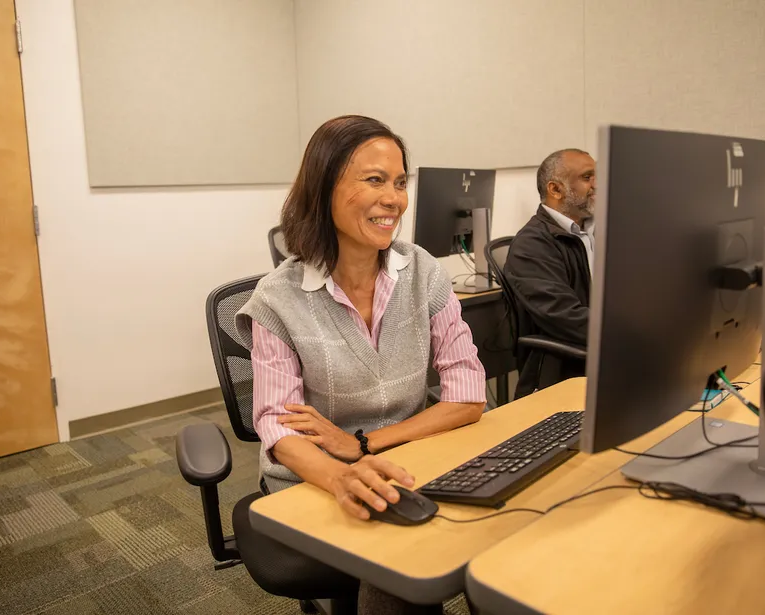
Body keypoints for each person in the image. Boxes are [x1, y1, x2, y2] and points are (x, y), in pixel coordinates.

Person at [235, 115, 486, 614]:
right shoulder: (277, 300)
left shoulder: (423, 273)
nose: (393, 198)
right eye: (374, 180)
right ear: (324, 189)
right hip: (315, 477)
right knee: (401, 567)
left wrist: (364, 442)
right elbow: (278, 428)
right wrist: (340, 471)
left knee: (500, 531)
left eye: (399, 183)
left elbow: (469, 394)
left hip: (409, 455)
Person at [503, 148, 596, 398]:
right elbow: (566, 317)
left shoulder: (593, 232)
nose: (597, 185)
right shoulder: (532, 245)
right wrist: (633, 335)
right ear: (556, 190)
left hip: (608, 354)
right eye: (587, 177)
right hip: (570, 370)